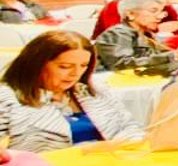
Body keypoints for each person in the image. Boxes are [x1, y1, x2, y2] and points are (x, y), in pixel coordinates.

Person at [0, 30, 141, 150]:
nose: (75, 73)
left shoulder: (95, 90)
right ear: (37, 64)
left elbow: (129, 128)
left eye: (83, 65)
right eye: (65, 66)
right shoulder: (6, 97)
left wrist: (129, 142)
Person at [95, 0, 178, 74]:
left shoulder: (145, 37)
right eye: (153, 11)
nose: (159, 17)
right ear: (130, 14)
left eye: (161, 12)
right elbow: (122, 65)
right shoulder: (118, 33)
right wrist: (173, 55)